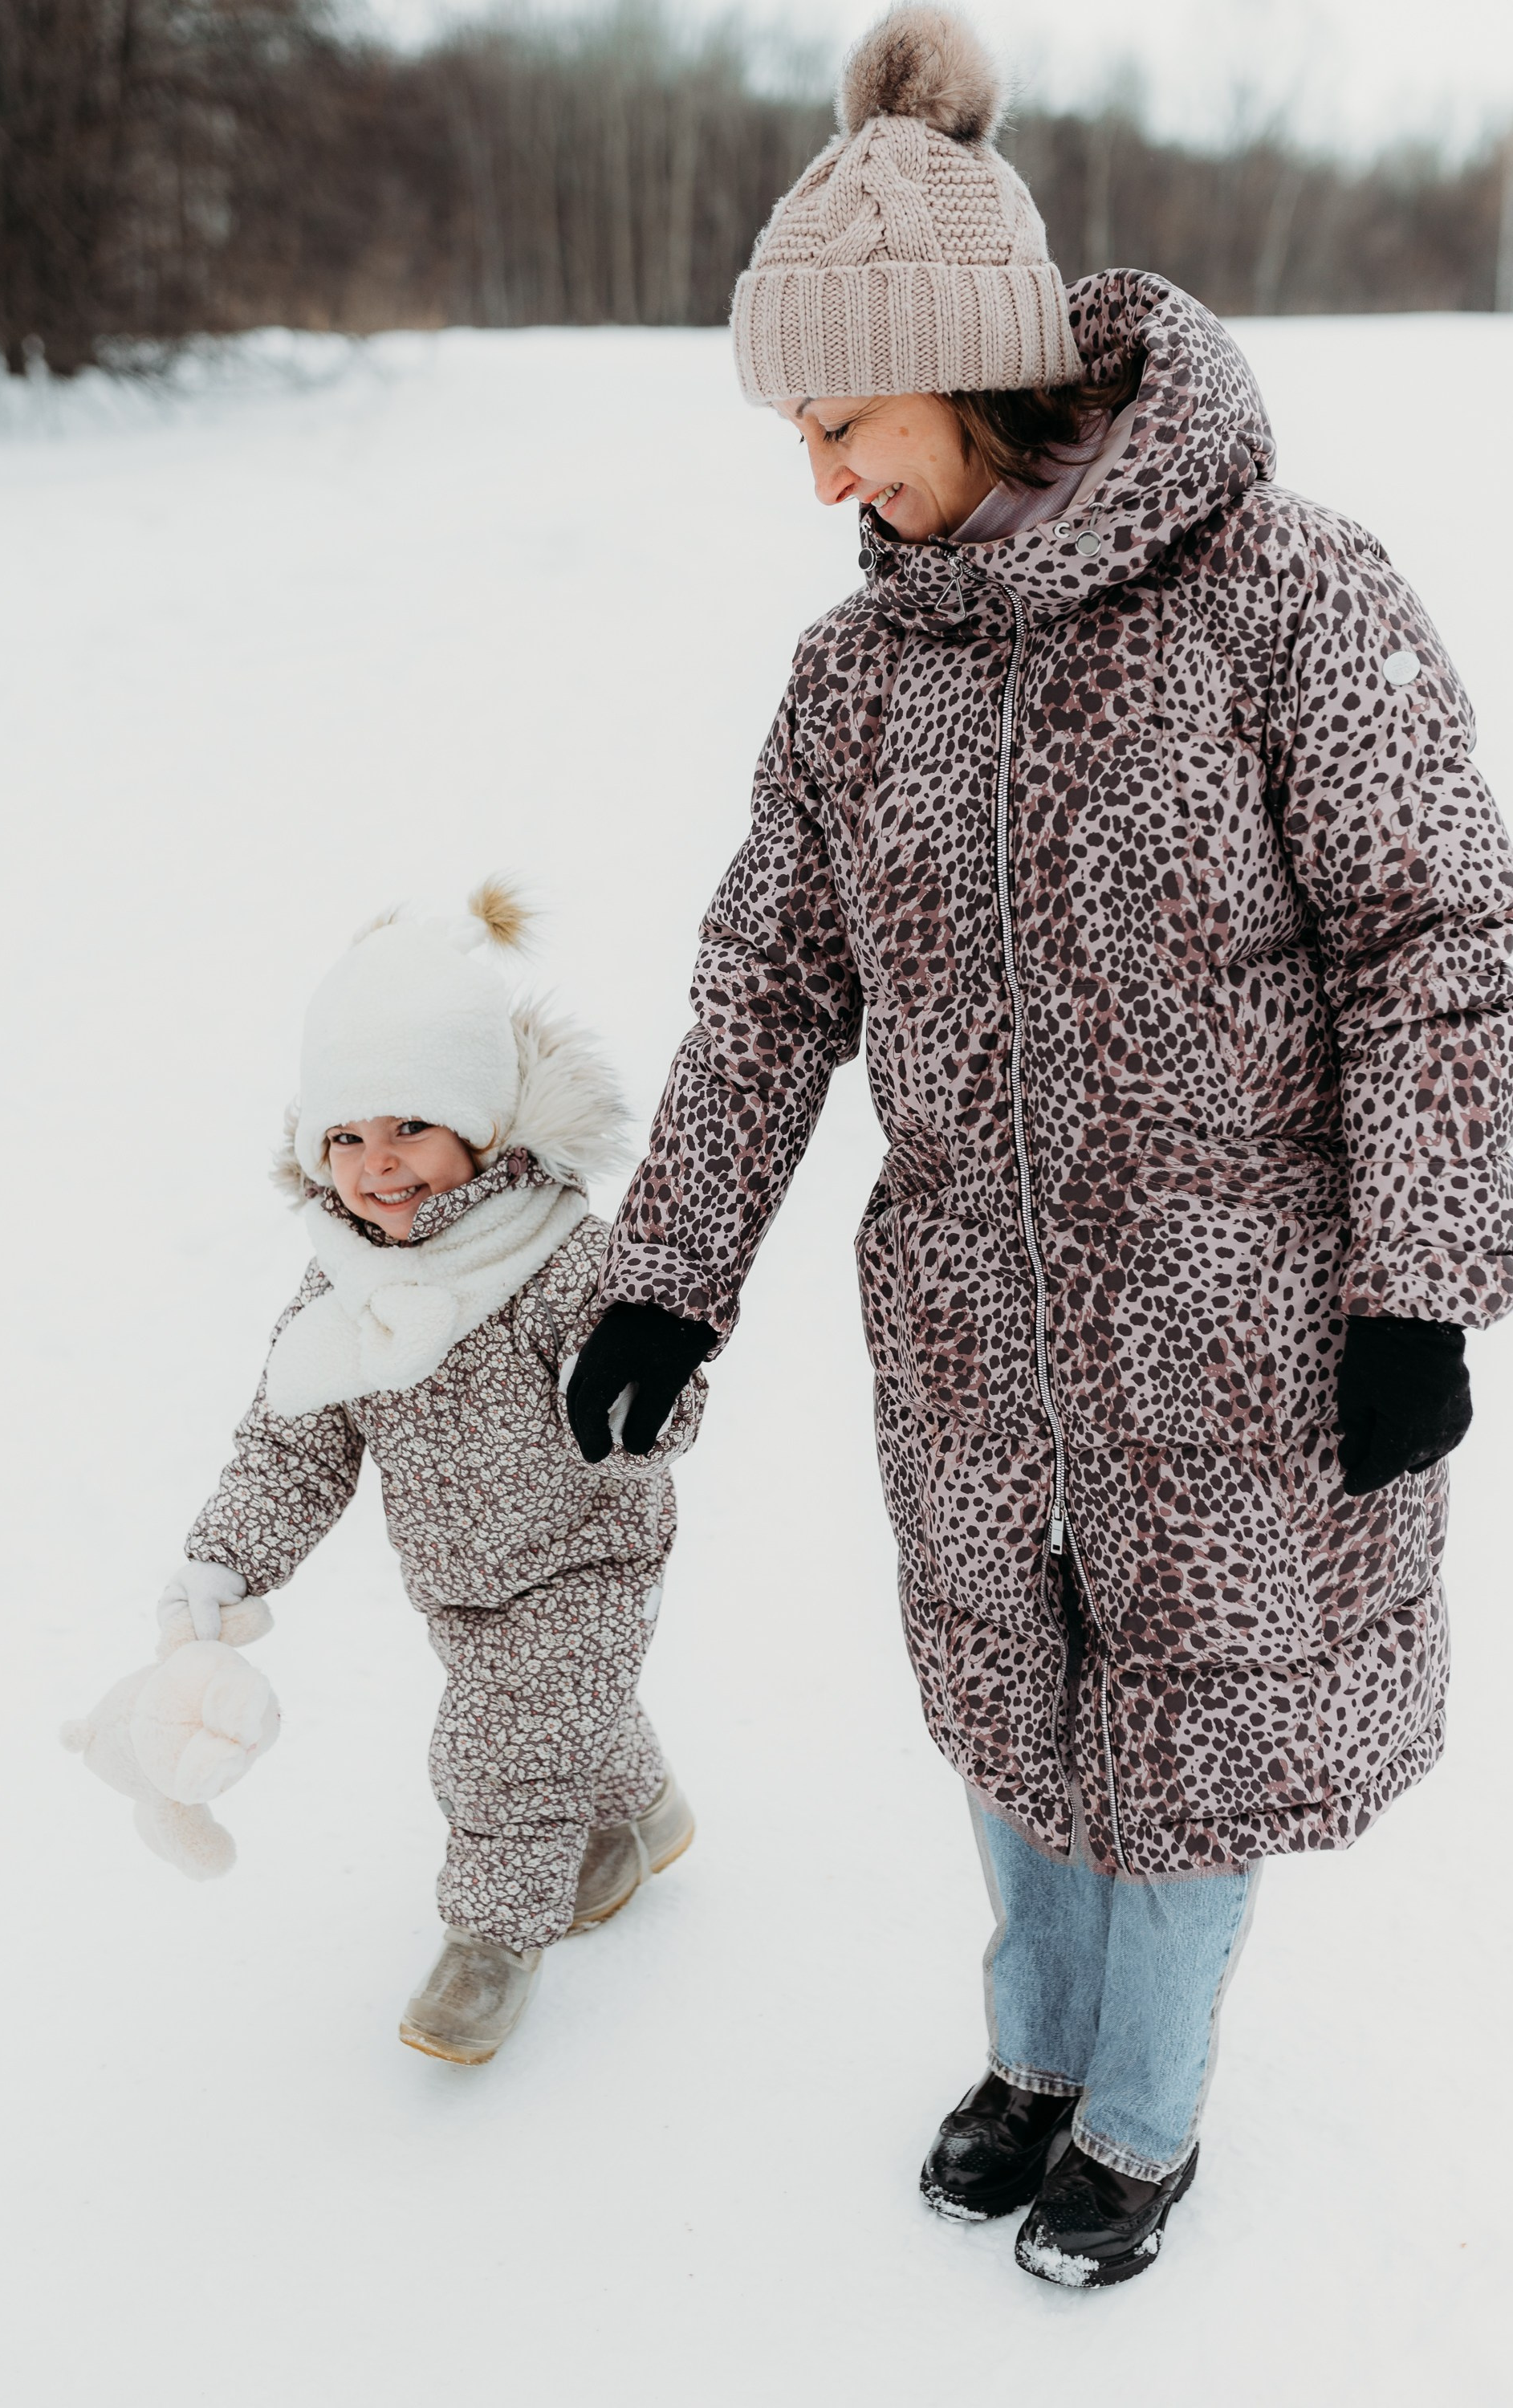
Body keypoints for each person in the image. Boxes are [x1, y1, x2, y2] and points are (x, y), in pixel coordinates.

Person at [563, 6, 1512, 2286]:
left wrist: (1419, 1284)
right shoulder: (857, 685)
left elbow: (1443, 946)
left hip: (1246, 1339)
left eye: (840, 423)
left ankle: (1149, 2121)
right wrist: (670, 1271)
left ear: (967, 373)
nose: (817, 484)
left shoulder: (1292, 594)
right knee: (1013, 1699)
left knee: (1187, 1737)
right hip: (975, 1334)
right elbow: (767, 996)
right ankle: (1041, 2050)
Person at [158, 885, 702, 2065]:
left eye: (410, 1125)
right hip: (461, 1581)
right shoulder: (341, 1289)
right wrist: (226, 1554)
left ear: (483, 1128)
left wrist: (634, 1407)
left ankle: (488, 1948)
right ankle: (638, 1821)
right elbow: (289, 1443)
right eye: (345, 1138)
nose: (377, 1165)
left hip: (587, 1561)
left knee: (501, 1753)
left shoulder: (552, 1254)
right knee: (556, 1722)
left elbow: (647, 1363)